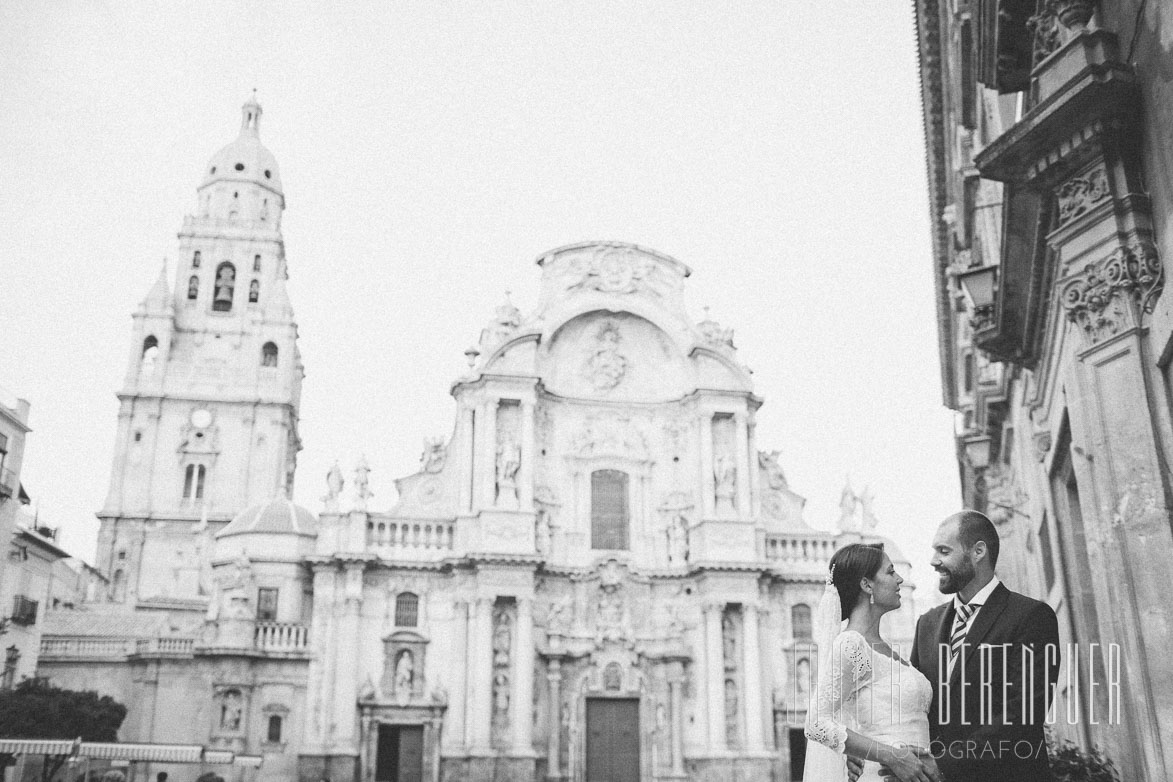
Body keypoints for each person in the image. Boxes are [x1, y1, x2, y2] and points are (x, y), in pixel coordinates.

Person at [892, 511, 1060, 782]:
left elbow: (1022, 713)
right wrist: (872, 750)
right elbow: (915, 707)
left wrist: (945, 765)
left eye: (943, 551)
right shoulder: (927, 625)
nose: (933, 561)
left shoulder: (1031, 617)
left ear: (978, 551)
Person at [804, 543, 941, 782]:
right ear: (867, 584)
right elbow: (816, 724)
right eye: (890, 572)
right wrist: (893, 756)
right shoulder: (852, 644)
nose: (899, 579)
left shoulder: (886, 648)